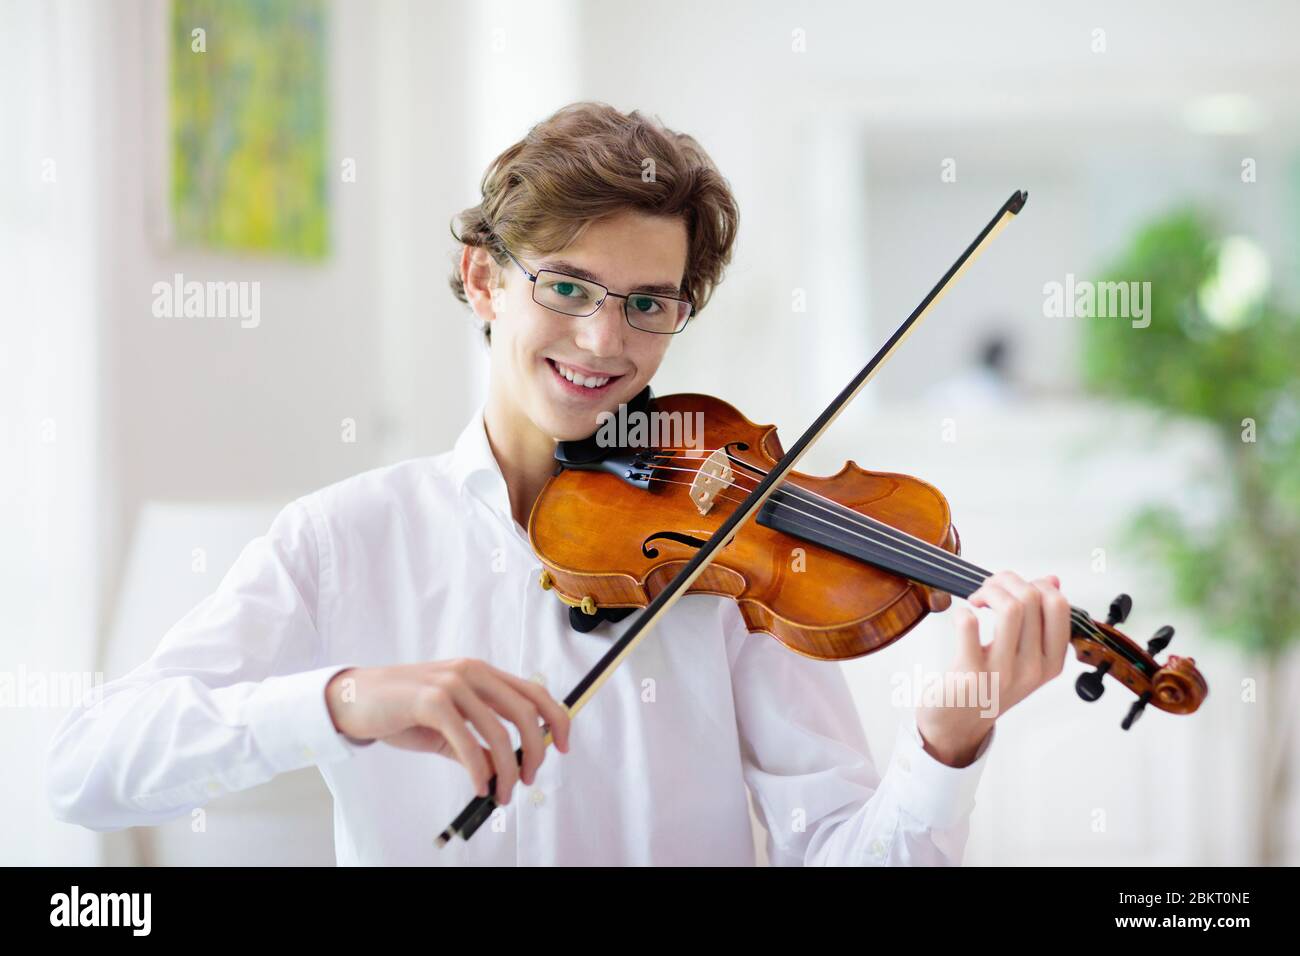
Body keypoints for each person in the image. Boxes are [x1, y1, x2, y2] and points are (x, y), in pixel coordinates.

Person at [47, 101, 1072, 865]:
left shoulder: (734, 551)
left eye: (647, 303)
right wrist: (348, 697)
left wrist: (948, 738)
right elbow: (87, 766)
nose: (603, 341)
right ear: (485, 277)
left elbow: (850, 852)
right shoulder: (342, 538)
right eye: (567, 286)